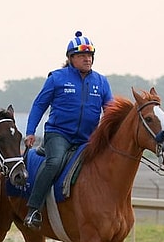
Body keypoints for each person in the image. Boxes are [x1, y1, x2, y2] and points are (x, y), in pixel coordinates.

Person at [23, 31, 113, 229]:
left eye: (90, 55)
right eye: (82, 55)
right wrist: (30, 131)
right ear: (71, 58)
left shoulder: (101, 81)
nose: (87, 59)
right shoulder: (57, 78)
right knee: (54, 162)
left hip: (88, 138)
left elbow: (111, 112)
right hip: (59, 134)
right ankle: (33, 210)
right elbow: (39, 105)